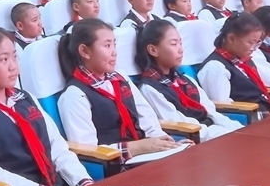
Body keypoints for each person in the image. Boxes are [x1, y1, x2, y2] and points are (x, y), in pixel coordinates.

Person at [0, 27, 92, 186]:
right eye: (4, 59)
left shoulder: (26, 98)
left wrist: (83, 183)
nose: (13, 66)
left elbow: (57, 147)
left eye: (14, 57)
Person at [57, 19, 183, 163]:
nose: (114, 52)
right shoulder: (74, 95)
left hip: (145, 154)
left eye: (114, 45)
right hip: (116, 164)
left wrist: (166, 144)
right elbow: (89, 152)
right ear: (85, 51)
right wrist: (138, 147)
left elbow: (147, 118)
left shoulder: (120, 78)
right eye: (107, 45)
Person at [135, 20, 241, 141]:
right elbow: (179, 124)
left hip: (213, 132)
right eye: (173, 44)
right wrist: (224, 134)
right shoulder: (150, 89)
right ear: (153, 50)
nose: (181, 49)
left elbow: (211, 112)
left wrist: (236, 129)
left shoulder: (186, 80)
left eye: (180, 43)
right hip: (196, 139)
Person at [198, 13, 270, 116]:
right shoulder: (215, 67)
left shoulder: (243, 61)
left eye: (257, 43)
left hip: (266, 111)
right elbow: (224, 108)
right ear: (231, 39)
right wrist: (265, 116)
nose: (254, 49)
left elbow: (260, 96)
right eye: (251, 43)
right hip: (249, 119)